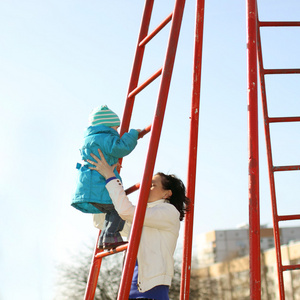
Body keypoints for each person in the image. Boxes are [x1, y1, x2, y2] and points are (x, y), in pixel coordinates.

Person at [89, 148, 189, 300]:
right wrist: (100, 182)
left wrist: (111, 177)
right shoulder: (145, 218)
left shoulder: (168, 212)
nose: (145, 188)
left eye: (152, 185)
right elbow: (101, 222)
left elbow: (126, 211)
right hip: (128, 289)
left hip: (151, 292)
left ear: (167, 193)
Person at [72, 105, 140, 249]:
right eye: (116, 128)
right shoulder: (105, 138)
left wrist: (112, 163)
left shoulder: (89, 139)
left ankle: (104, 239)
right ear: (107, 125)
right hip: (99, 187)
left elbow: (102, 155)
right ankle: (109, 237)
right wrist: (132, 134)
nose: (116, 131)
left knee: (110, 212)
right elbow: (121, 148)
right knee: (118, 209)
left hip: (88, 187)